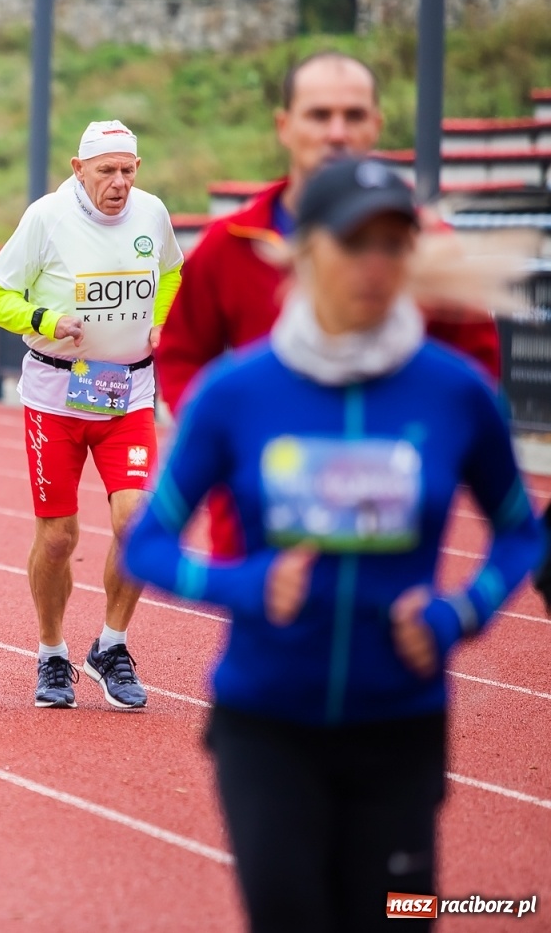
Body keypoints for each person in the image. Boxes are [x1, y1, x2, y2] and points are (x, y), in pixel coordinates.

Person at [123, 157, 543, 933]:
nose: (376, 265)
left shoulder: (454, 392)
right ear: (306, 249)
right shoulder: (236, 393)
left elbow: (521, 533)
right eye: (356, 243)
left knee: (395, 921)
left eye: (395, 243)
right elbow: (144, 546)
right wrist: (245, 586)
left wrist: (462, 613)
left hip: (402, 726)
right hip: (267, 725)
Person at [158, 52, 502, 561]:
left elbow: (476, 376)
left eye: (354, 115)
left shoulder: (430, 247)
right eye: (319, 115)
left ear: (377, 126)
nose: (337, 133)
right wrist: (229, 440)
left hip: (386, 530)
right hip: (262, 534)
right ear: (285, 126)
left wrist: (423, 453)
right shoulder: (230, 245)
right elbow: (182, 353)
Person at [0, 120, 182, 711]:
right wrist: (45, 322)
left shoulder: (152, 214)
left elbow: (171, 272)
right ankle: (51, 653)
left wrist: (161, 322)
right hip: (55, 397)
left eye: (128, 170)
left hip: (128, 393)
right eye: (106, 172)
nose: (119, 183)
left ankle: (112, 645)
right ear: (78, 169)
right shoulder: (46, 218)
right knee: (59, 536)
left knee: (136, 523)